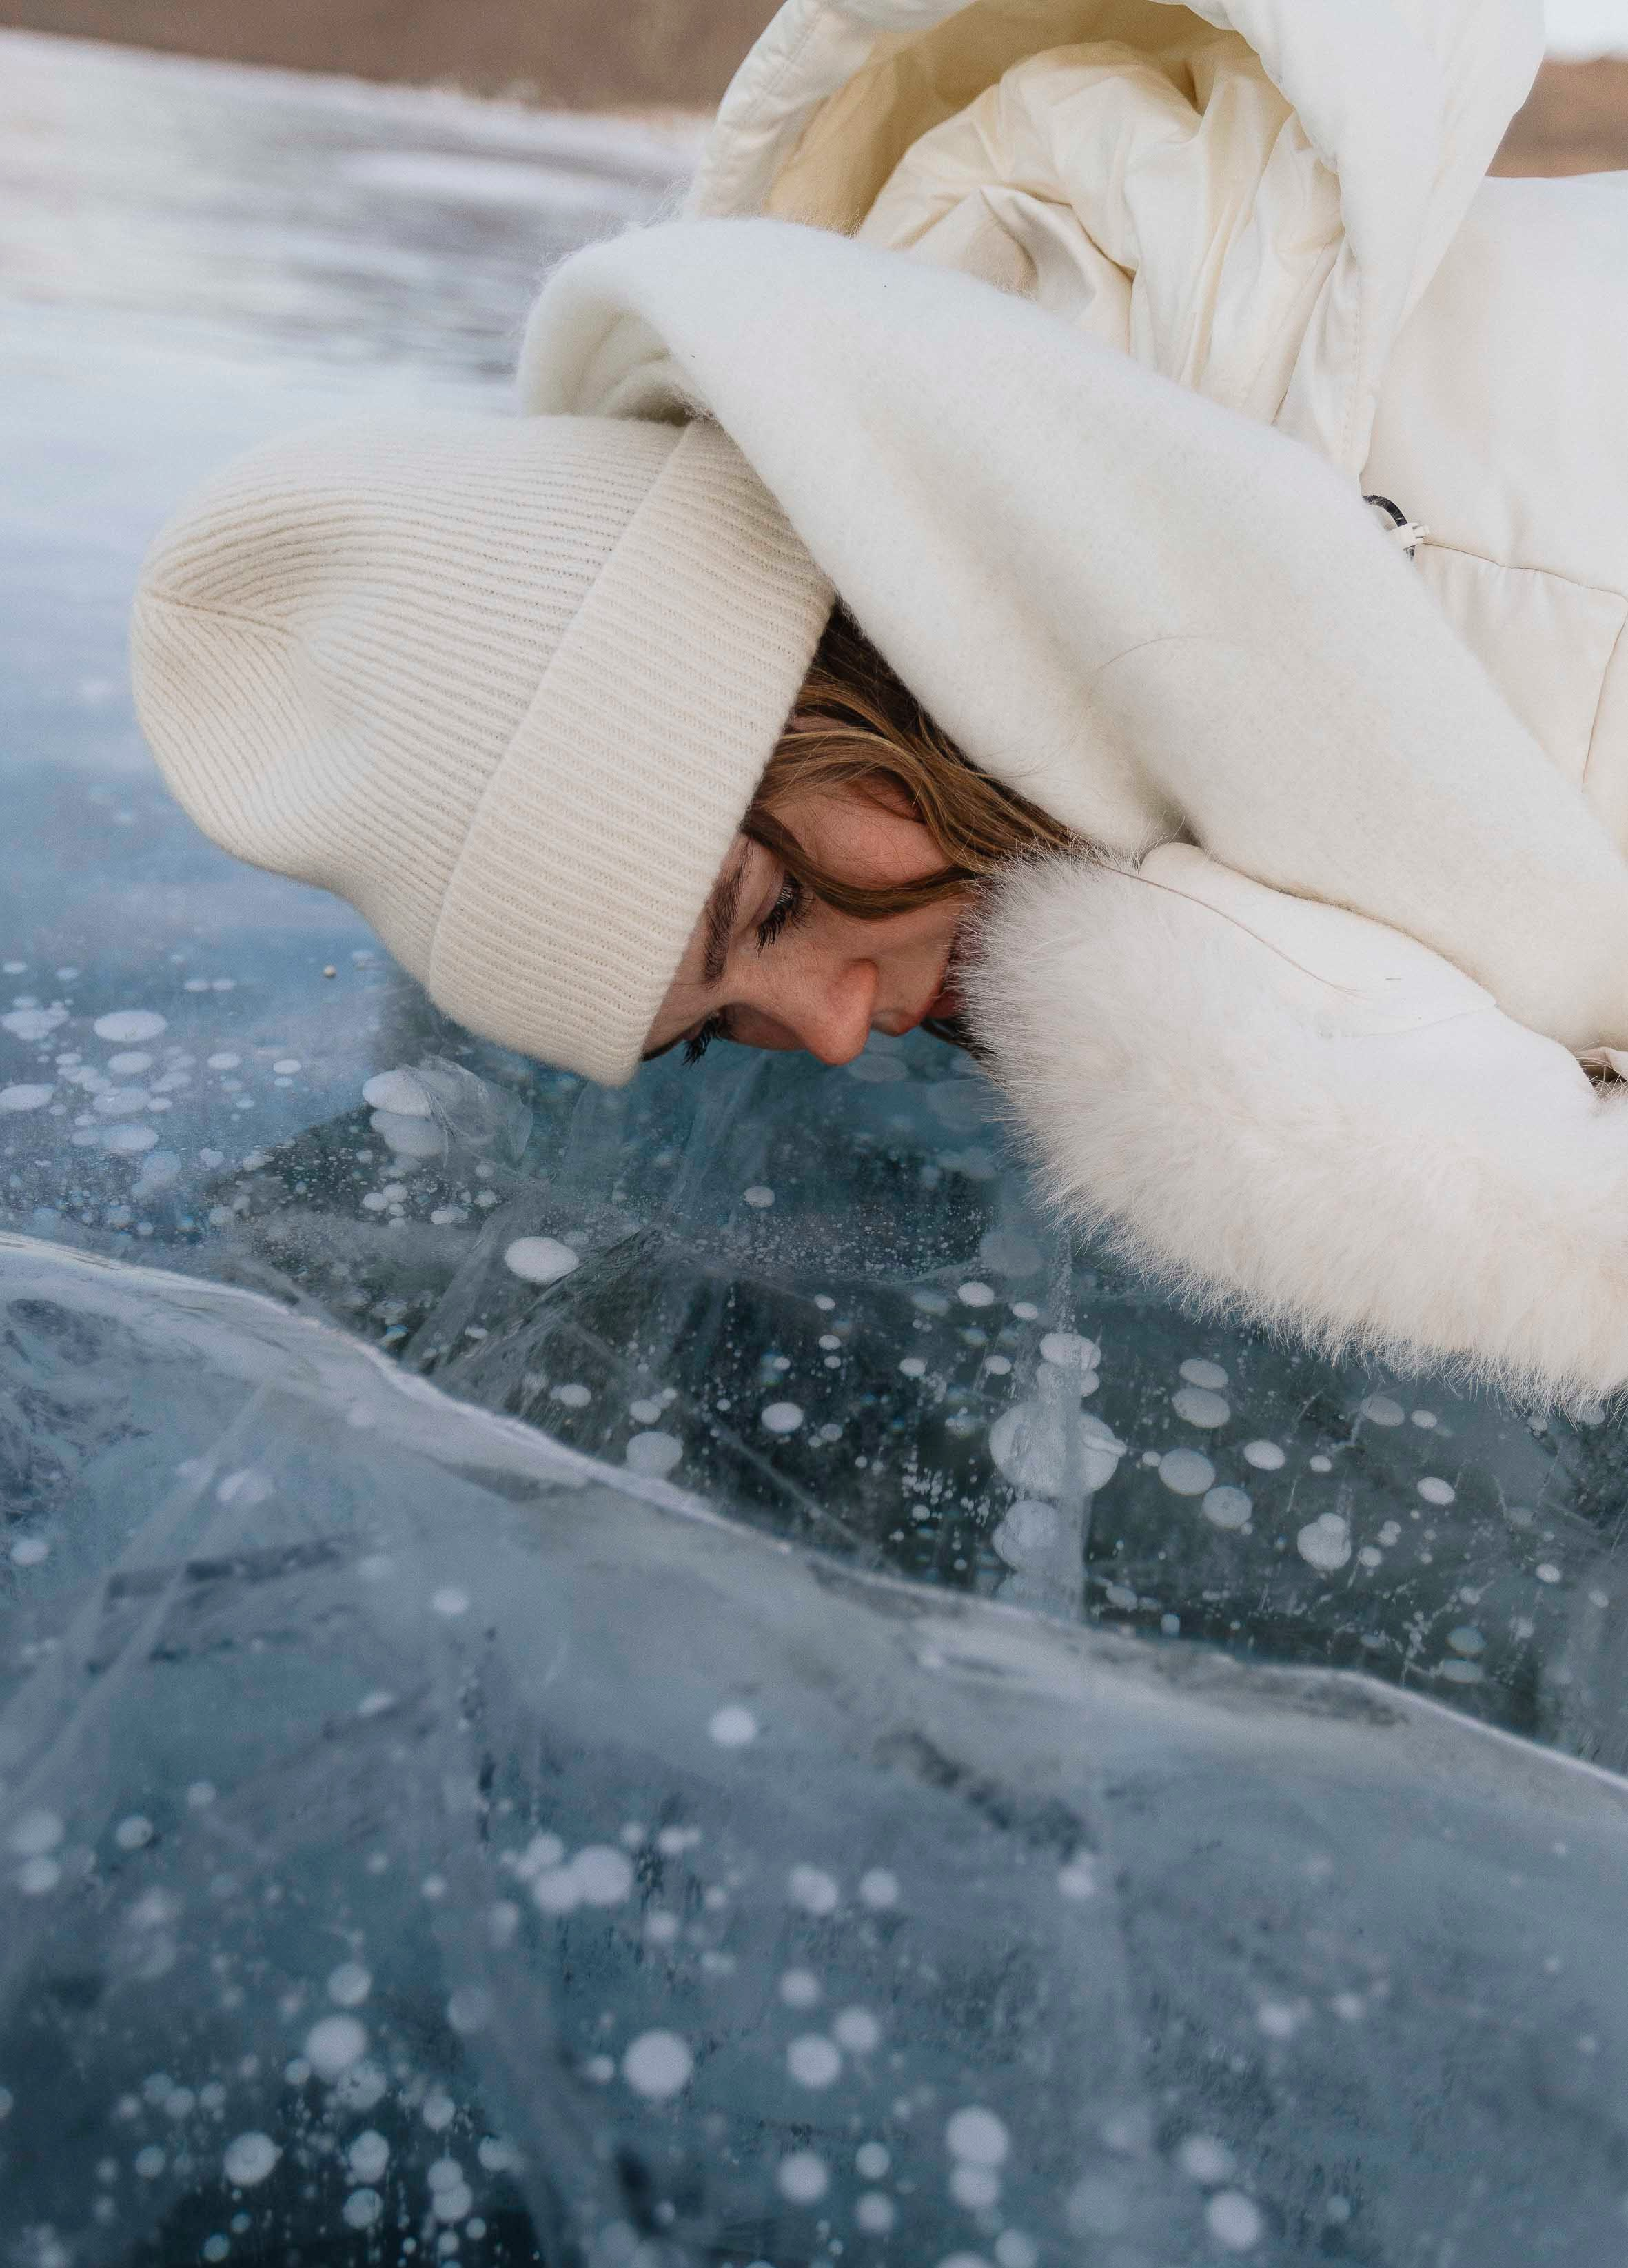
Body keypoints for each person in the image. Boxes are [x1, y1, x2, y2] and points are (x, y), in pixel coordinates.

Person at [132, 0, 1628, 1401]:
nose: (839, 1035)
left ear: (825, 672)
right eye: (717, 1030)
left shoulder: (1522, 572)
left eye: (767, 912)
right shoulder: (1147, 512)